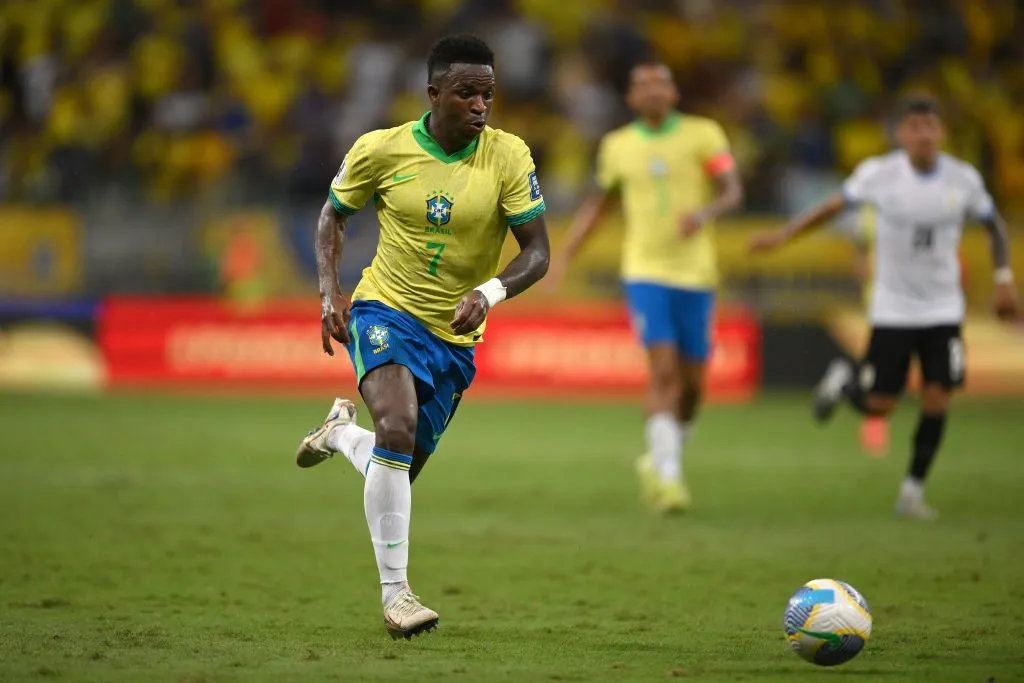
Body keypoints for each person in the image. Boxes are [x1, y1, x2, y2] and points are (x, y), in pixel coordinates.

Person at [294, 34, 550, 638]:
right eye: (466, 93)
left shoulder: (508, 156)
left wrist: (489, 293)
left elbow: (537, 251)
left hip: (455, 338)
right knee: (397, 426)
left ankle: (338, 436)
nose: (480, 105)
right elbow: (334, 213)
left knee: (396, 468)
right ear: (434, 94)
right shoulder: (380, 150)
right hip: (386, 308)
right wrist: (331, 290)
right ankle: (397, 595)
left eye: (487, 94)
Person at [750, 95, 1017, 520]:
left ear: (941, 133)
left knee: (937, 397)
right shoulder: (879, 175)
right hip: (892, 306)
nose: (922, 134)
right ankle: (843, 383)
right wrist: (783, 236)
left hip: (944, 306)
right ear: (900, 134)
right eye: (913, 127)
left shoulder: (963, 179)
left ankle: (912, 491)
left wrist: (1004, 279)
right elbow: (831, 208)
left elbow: (994, 225)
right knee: (880, 405)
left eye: (929, 126)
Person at [547, 60, 742, 514]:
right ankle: (669, 479)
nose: (653, 91)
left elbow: (732, 191)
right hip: (645, 272)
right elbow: (600, 205)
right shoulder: (618, 146)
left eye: (661, 83)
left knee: (694, 386)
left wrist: (705, 214)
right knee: (665, 371)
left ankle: (660, 458)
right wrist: (565, 257)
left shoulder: (704, 133)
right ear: (631, 98)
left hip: (697, 273)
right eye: (643, 85)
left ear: (674, 93)